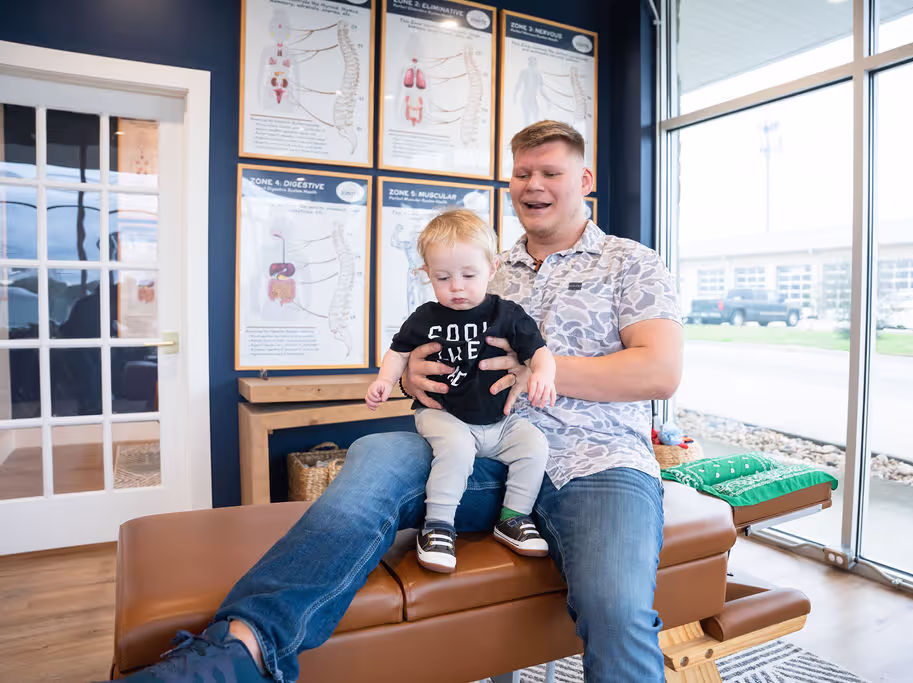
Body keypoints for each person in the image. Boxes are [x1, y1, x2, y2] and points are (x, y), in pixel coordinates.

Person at [117, 120, 683, 683]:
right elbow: (427, 352)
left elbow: (660, 371)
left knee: (617, 609)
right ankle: (238, 652)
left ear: (583, 179)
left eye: (550, 172)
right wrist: (413, 375)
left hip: (596, 463)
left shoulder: (631, 262)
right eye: (522, 173)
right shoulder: (481, 268)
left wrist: (539, 369)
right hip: (484, 454)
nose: (533, 184)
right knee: (375, 454)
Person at [366, 209, 556, 573]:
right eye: (442, 277)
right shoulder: (425, 317)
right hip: (443, 414)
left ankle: (513, 518)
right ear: (427, 275)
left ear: (493, 268)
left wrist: (543, 374)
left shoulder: (508, 313)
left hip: (498, 423)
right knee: (456, 449)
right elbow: (399, 352)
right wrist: (385, 381)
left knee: (534, 445)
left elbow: (539, 352)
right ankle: (437, 524)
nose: (456, 286)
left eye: (469, 275)